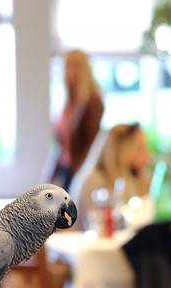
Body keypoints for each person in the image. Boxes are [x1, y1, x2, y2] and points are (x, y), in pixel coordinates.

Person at [51, 49, 104, 190]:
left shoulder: (92, 101)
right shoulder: (69, 101)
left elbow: (91, 141)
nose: (70, 72)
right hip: (65, 166)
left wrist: (80, 173)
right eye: (67, 67)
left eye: (75, 67)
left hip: (78, 169)